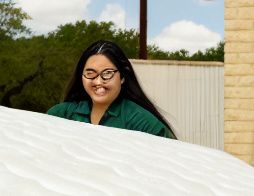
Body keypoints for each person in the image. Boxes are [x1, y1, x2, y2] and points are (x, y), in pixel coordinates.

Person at [46, 39, 176, 138]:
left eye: (107, 74)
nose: (98, 81)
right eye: (90, 74)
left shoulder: (142, 122)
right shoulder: (60, 114)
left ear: (122, 77)